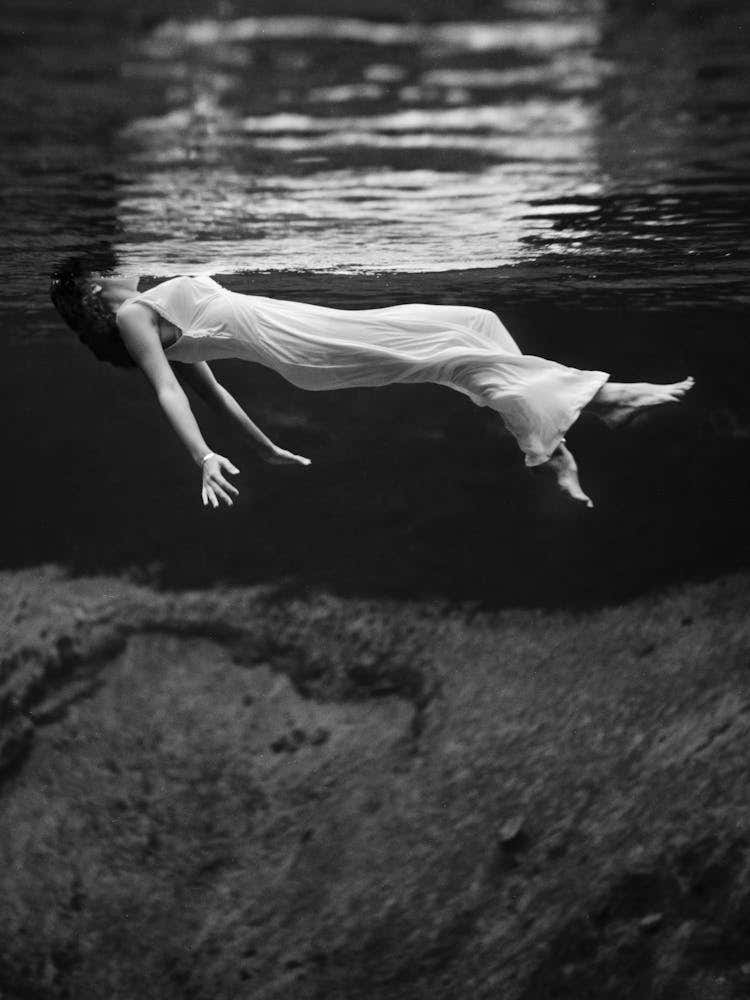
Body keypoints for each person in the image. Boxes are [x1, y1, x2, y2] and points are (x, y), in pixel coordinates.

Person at [50, 262, 694, 510]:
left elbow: (217, 391)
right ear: (94, 287)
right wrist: (202, 455)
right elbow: (174, 391)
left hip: (310, 332)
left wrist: (265, 446)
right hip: (305, 346)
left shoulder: (150, 304)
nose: (123, 263)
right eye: (108, 266)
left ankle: (552, 438)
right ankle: (605, 401)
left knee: (474, 324)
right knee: (456, 357)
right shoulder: (136, 315)